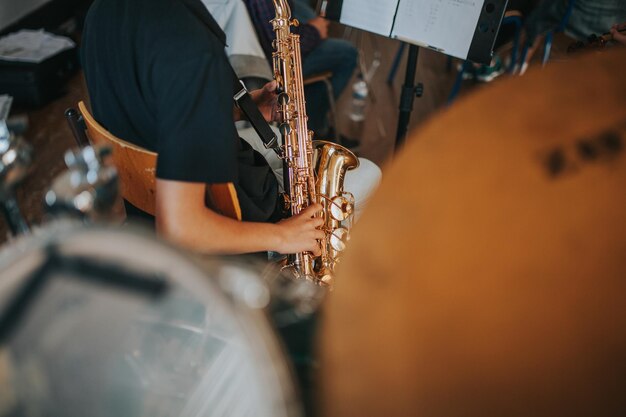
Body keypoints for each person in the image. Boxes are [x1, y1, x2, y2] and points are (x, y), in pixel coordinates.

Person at [81, 0, 324, 256]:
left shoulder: (100, 12)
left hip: (143, 216)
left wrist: (238, 108)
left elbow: (149, 111)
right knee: (367, 176)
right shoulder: (193, 49)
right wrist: (284, 236)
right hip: (232, 223)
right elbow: (181, 230)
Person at [244, 0, 358, 140]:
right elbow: (277, 46)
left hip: (269, 25)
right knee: (347, 53)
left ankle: (309, 115)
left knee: (306, 10)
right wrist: (314, 30)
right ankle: (314, 128)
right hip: (269, 59)